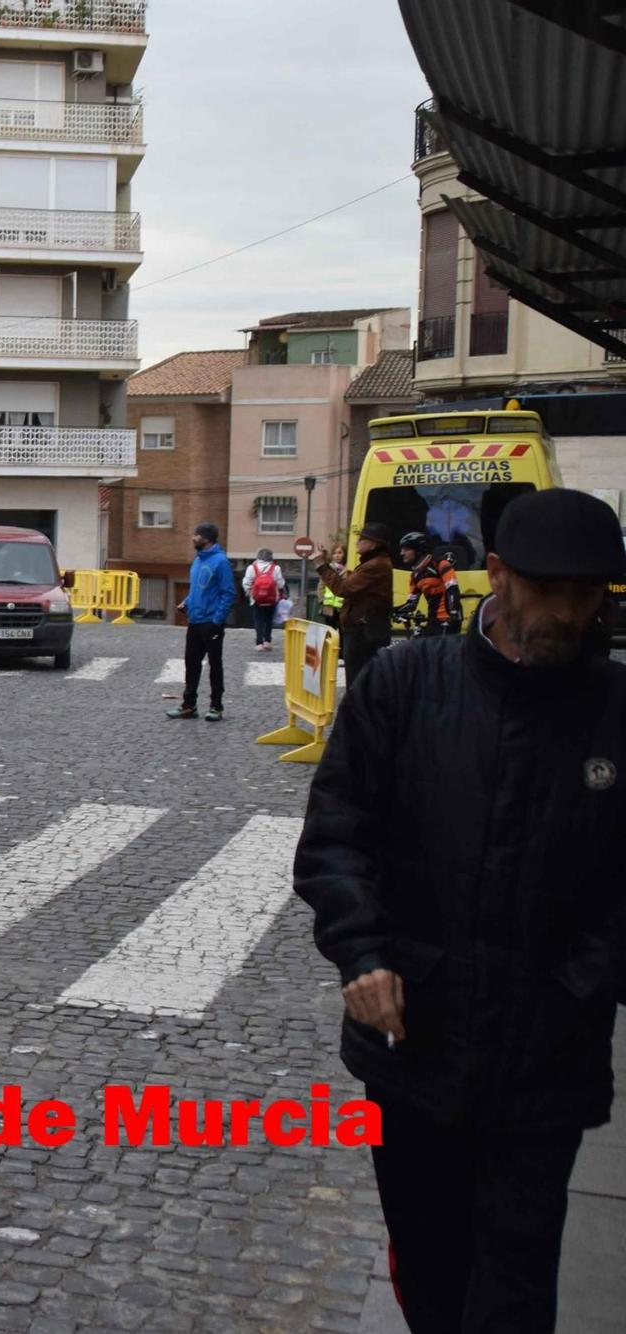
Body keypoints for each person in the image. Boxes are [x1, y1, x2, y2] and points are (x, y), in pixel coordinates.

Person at [293, 488, 626, 1334]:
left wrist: (580, 985)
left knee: (513, 1289)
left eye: (587, 596)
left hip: (548, 1063)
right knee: (432, 1269)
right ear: (501, 576)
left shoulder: (616, 712)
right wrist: (363, 954)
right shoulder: (406, 686)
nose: (567, 614)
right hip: (412, 1050)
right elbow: (336, 835)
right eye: (550, 591)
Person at [166, 522, 235, 722]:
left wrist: (217, 620)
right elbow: (197, 589)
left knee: (215, 665)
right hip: (195, 621)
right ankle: (189, 706)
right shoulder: (197, 561)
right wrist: (186, 602)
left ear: (206, 539)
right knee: (191, 664)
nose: (193, 538)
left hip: (211, 622)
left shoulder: (221, 561)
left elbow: (228, 593)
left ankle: (216, 706)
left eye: (196, 535)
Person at [318, 523, 396, 689]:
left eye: (362, 539)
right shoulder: (373, 563)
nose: (357, 542)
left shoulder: (374, 565)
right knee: (360, 677)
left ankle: (359, 711)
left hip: (364, 630)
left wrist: (320, 565)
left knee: (358, 678)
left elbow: (343, 588)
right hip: (364, 626)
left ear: (373, 544)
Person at [396, 531, 461, 636]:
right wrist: (395, 611)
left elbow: (453, 590)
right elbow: (411, 604)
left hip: (447, 621)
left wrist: (453, 614)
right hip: (433, 620)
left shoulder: (441, 564)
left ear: (418, 550)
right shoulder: (415, 575)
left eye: (406, 549)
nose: (402, 553)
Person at [241, 547, 286, 652]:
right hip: (271, 599)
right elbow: (281, 584)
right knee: (269, 620)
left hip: (257, 599)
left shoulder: (252, 568)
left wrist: (250, 593)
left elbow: (246, 583)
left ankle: (259, 643)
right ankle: (267, 641)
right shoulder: (276, 568)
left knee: (259, 620)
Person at [321, 545, 347, 630]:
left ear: (345, 554)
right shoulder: (329, 568)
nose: (337, 555)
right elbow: (321, 585)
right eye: (334, 553)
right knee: (329, 632)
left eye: (340, 553)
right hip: (329, 606)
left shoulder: (348, 568)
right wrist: (321, 600)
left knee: (343, 631)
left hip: (343, 606)